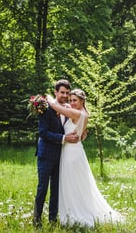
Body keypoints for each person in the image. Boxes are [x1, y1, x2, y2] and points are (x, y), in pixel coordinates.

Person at [46, 89, 125, 228]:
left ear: (82, 100)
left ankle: (75, 213)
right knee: (76, 183)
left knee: (72, 183)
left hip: (71, 153)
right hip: (74, 150)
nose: (71, 103)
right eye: (70, 100)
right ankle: (74, 209)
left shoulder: (77, 113)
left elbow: (55, 106)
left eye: (74, 100)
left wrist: (48, 97)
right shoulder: (84, 113)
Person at [33, 79, 80, 227]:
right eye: (62, 92)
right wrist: (64, 138)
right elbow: (43, 133)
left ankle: (52, 220)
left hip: (61, 156)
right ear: (56, 92)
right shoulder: (45, 109)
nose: (65, 95)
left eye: (67, 92)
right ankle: (36, 220)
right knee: (42, 188)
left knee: (56, 190)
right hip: (46, 154)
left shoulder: (67, 109)